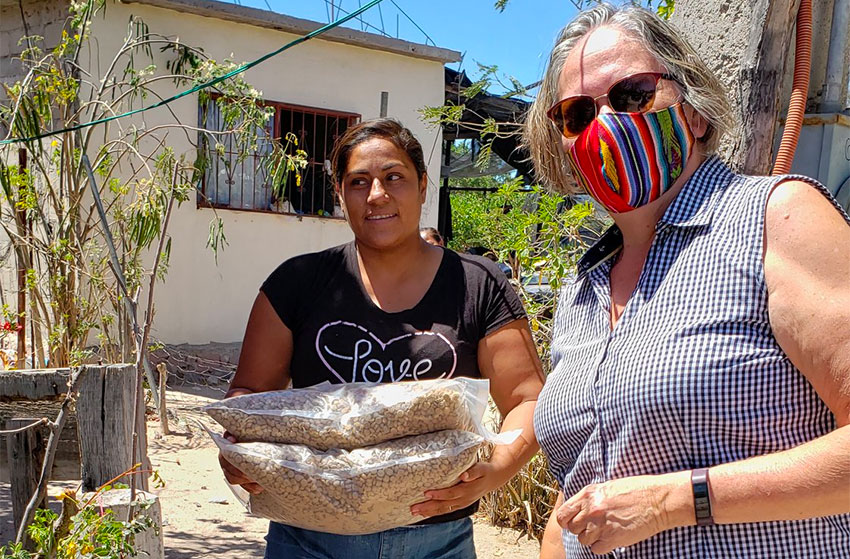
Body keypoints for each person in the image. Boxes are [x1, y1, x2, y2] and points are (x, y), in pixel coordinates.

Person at [523, 4, 850, 558]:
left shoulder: (776, 219)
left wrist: (677, 499)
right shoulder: (586, 288)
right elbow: (577, 493)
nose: (604, 124)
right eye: (577, 115)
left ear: (694, 113)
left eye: (632, 94)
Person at [218, 118, 544, 559]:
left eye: (394, 177)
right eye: (359, 182)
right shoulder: (296, 283)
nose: (377, 195)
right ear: (339, 192)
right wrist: (240, 453)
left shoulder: (477, 284)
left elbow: (527, 397)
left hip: (438, 544)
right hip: (308, 540)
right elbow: (250, 396)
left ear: (423, 185)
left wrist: (499, 468)